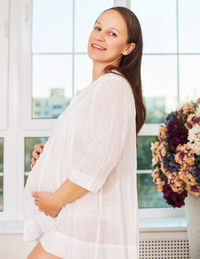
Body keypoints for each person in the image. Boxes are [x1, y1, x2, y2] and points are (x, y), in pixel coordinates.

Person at [24, 6, 146, 259]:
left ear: (128, 48)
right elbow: (90, 146)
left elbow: (99, 160)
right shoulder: (92, 91)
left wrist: (55, 201)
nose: (99, 36)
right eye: (98, 27)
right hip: (78, 216)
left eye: (112, 34)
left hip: (86, 221)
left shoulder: (112, 87)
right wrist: (50, 153)